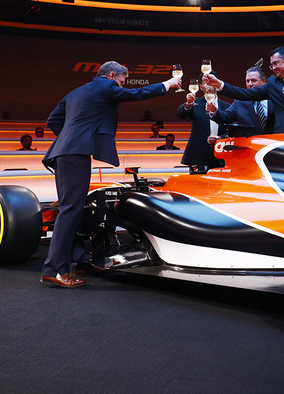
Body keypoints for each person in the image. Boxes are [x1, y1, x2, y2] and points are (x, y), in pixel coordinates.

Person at [40, 61, 180, 288]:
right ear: (113, 75)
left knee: (71, 209)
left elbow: (53, 121)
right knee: (70, 210)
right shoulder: (105, 87)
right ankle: (54, 269)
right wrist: (168, 84)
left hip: (64, 154)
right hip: (74, 155)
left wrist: (71, 138)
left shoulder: (75, 92)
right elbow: (138, 94)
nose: (122, 85)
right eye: (122, 80)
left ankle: (74, 258)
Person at [177, 71, 230, 171]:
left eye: (212, 81)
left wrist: (220, 138)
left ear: (217, 85)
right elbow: (180, 114)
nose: (209, 85)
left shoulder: (227, 106)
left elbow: (231, 130)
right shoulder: (194, 103)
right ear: (201, 87)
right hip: (198, 155)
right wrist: (187, 104)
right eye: (206, 83)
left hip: (220, 156)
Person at [209, 66, 274, 137]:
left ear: (264, 81)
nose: (250, 84)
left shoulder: (275, 98)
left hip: (274, 144)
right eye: (247, 81)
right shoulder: (240, 102)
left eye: (253, 80)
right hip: (250, 145)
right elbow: (225, 117)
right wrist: (214, 111)